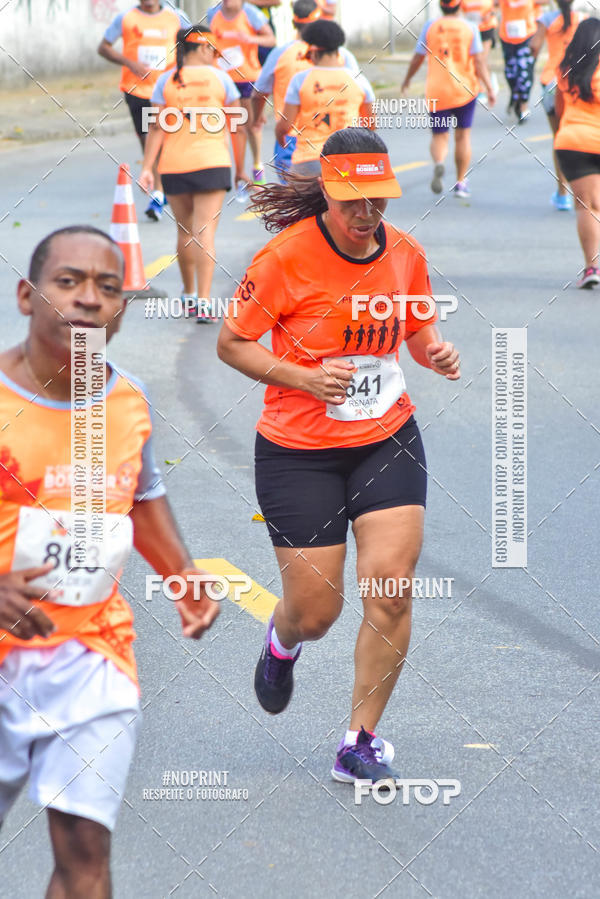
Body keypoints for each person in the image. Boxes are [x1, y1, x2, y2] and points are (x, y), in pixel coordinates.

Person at [217, 127, 461, 783]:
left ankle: (360, 738)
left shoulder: (405, 253)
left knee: (390, 591)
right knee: (316, 610)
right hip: (299, 451)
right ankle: (282, 639)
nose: (367, 213)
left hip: (386, 439)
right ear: (327, 190)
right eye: (353, 199)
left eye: (378, 198)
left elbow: (417, 327)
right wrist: (301, 377)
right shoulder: (284, 258)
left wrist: (433, 351)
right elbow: (232, 344)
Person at [0, 226, 220, 898]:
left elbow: (142, 496)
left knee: (86, 851)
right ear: (27, 296)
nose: (89, 300)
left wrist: (181, 576)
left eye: (107, 287)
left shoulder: (127, 400)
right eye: (68, 282)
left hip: (94, 654)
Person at [139, 26, 241, 323]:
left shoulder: (166, 80)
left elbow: (157, 128)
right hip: (212, 163)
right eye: (213, 48)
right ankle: (206, 303)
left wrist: (147, 168)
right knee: (204, 233)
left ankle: (188, 294)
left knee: (184, 232)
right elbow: (238, 127)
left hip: (174, 166)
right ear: (204, 48)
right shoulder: (222, 79)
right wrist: (243, 167)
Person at [98, 0, 191, 222]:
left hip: (168, 88)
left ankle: (162, 190)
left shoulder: (176, 16)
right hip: (137, 90)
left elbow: (192, 44)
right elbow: (103, 47)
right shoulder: (126, 18)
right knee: (148, 140)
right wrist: (130, 63)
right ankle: (159, 190)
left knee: (166, 138)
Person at [253, 0, 359, 180]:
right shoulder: (342, 55)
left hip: (292, 140)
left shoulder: (280, 54)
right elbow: (359, 95)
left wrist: (257, 116)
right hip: (340, 141)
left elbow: (259, 92)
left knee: (297, 201)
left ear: (294, 23)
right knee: (338, 202)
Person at [402, 0, 496, 199]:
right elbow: (479, 61)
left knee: (439, 136)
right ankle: (461, 182)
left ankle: (439, 163)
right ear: (460, 5)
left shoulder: (430, 26)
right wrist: (489, 88)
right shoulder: (470, 27)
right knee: (462, 136)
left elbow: (418, 57)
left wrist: (407, 79)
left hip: (437, 91)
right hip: (465, 90)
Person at [276, 20, 375, 177]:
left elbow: (285, 125)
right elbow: (370, 125)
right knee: (349, 201)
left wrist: (279, 134)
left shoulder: (300, 80)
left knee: (297, 199)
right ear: (338, 50)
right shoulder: (359, 80)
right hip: (347, 160)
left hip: (308, 161)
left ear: (313, 50)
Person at [206, 0, 276, 198]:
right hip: (222, 78)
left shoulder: (251, 13)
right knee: (230, 126)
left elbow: (270, 39)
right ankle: (231, 170)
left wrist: (251, 38)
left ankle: (256, 167)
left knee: (251, 126)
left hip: (247, 77)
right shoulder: (213, 14)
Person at [554, 18, 600, 287]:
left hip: (572, 142)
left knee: (586, 206)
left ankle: (592, 268)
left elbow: (560, 110)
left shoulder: (565, 70)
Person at [530, 0, 586, 211]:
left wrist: (531, 53)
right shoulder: (583, 19)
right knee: (580, 136)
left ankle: (563, 194)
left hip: (552, 82)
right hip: (576, 83)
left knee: (559, 138)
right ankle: (583, 192)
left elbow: (534, 46)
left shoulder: (547, 20)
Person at [495, 0, 537, 121]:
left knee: (524, 72)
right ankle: (515, 97)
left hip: (526, 36)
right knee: (510, 73)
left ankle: (524, 105)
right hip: (507, 37)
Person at [461, 0, 500, 99]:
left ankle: (481, 90)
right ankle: (489, 79)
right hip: (471, 29)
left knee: (481, 59)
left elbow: (500, 3)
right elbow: (459, 8)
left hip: (486, 28)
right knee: (474, 61)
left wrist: (491, 13)